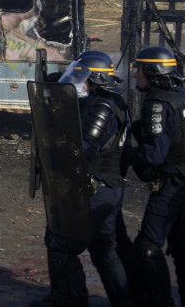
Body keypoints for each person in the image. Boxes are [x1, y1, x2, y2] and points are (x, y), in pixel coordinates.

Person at [32, 53, 132, 307]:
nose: (77, 82)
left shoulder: (102, 107)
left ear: (94, 79)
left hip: (95, 187)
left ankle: (69, 301)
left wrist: (57, 147)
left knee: (61, 246)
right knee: (104, 252)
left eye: (81, 77)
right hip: (106, 187)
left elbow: (85, 149)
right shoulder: (109, 100)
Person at [131, 46, 185, 307]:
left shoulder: (156, 103)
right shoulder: (180, 96)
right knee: (183, 245)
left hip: (172, 183)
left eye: (138, 69)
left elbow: (153, 155)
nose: (134, 75)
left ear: (151, 72)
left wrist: (130, 153)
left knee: (147, 247)